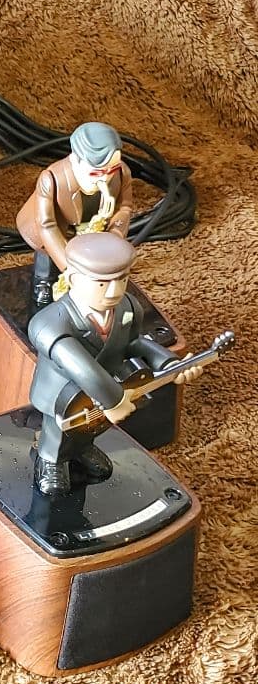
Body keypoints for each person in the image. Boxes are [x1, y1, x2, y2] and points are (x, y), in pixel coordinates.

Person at [28, 232, 201, 496]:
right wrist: (113, 399)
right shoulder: (49, 322)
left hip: (106, 390)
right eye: (101, 284)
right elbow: (80, 365)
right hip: (62, 393)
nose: (114, 291)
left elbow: (135, 342)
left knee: (91, 427)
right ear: (73, 279)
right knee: (58, 429)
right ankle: (51, 460)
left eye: (121, 280)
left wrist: (167, 363)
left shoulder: (128, 306)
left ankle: (82, 449)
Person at [17, 122, 133, 307]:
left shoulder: (122, 173)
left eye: (110, 171)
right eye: (95, 173)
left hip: (93, 231)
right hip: (57, 229)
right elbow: (47, 225)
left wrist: (113, 237)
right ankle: (43, 282)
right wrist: (69, 268)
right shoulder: (52, 179)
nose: (105, 178)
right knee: (47, 256)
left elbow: (124, 208)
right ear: (75, 160)